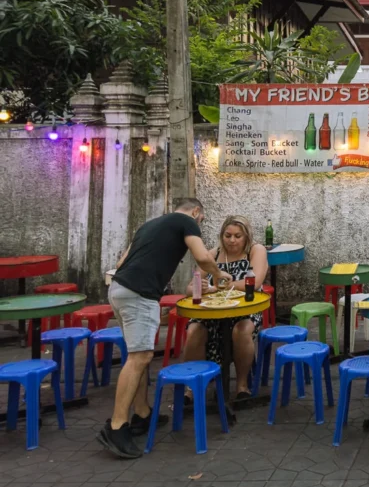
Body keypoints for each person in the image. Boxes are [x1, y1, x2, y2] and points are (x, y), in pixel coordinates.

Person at [99, 197, 232, 459]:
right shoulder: (185, 221)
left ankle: (142, 414)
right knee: (140, 357)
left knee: (138, 354)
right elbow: (203, 257)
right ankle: (116, 426)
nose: (200, 224)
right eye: (201, 220)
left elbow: (121, 261)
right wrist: (219, 275)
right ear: (196, 212)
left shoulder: (149, 226)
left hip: (119, 289)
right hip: (140, 293)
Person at [181, 216, 268, 402]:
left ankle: (242, 386)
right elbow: (189, 288)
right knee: (194, 330)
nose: (232, 240)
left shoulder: (255, 250)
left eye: (238, 236)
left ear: (246, 237)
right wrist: (202, 288)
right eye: (227, 235)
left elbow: (255, 282)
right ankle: (192, 387)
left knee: (241, 330)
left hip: (246, 309)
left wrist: (222, 286)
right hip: (213, 310)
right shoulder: (213, 254)